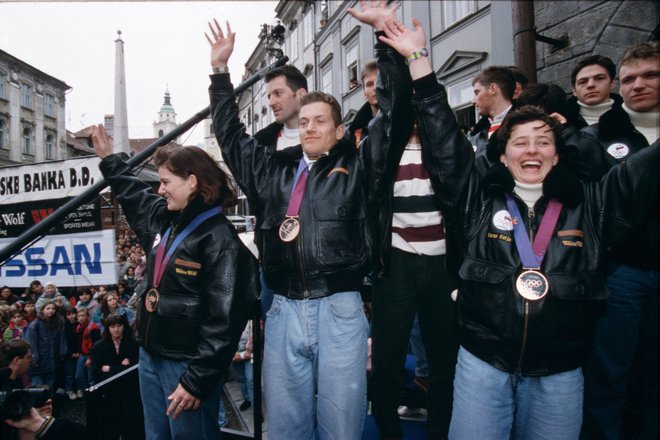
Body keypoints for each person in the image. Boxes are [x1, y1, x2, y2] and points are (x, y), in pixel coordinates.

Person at [378, 16, 660, 440]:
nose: (532, 149)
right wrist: (417, 58)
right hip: (482, 365)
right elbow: (442, 139)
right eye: (520, 141)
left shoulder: (593, 207)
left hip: (560, 372)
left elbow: (643, 168)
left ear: (558, 155)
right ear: (503, 156)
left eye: (543, 140)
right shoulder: (474, 202)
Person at [207, 11, 403, 437]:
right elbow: (230, 136)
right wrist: (220, 72)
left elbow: (392, 115)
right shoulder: (271, 172)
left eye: (321, 121)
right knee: (285, 424)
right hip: (283, 310)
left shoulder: (359, 167)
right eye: (306, 120)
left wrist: (385, 39)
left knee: (341, 422)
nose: (311, 127)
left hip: (340, 307)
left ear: (338, 131)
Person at [91, 126, 258, 440]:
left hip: (185, 365)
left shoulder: (219, 239)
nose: (160, 190)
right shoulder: (165, 220)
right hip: (151, 356)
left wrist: (196, 380)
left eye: (166, 182)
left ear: (192, 182)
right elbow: (134, 196)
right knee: (157, 436)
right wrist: (111, 160)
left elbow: (224, 321)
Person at [347, 4, 457, 439]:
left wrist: (415, 60)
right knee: (389, 362)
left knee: (444, 361)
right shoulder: (378, 144)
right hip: (395, 265)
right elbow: (389, 105)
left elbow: (429, 104)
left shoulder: (446, 145)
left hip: (442, 267)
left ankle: (441, 432)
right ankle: (390, 431)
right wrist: (384, 38)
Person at [582, 41, 659, 440]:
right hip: (622, 271)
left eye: (650, 75)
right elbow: (597, 206)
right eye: (629, 79)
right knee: (610, 373)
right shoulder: (595, 138)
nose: (638, 85)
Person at [469, 66, 516, 154]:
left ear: (492, 89)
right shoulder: (476, 136)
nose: (473, 101)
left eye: (477, 92)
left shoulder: (525, 127)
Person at [564, 55, 620, 127]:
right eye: (583, 82)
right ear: (574, 91)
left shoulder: (632, 116)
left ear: (612, 83)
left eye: (599, 78)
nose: (590, 85)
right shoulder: (558, 125)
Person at [22, 300, 67, 388]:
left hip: (52, 362)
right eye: (48, 308)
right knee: (38, 388)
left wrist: (62, 354)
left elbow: (61, 341)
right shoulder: (35, 325)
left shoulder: (58, 323)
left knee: (49, 388)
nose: (51, 311)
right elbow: (30, 343)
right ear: (42, 310)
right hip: (38, 363)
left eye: (53, 309)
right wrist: (33, 358)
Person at [90, 314, 139, 383]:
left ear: (124, 326)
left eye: (119, 326)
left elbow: (133, 368)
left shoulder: (133, 344)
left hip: (128, 383)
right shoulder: (98, 346)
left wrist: (110, 368)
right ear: (108, 328)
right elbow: (96, 371)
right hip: (108, 385)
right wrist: (121, 367)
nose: (116, 330)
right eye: (112, 327)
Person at [346, 60, 379, 146]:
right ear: (364, 92)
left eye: (379, 82)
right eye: (369, 84)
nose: (375, 88)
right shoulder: (353, 132)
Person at [75, 307, 99, 395]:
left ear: (87, 316)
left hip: (90, 355)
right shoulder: (78, 328)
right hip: (82, 354)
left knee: (91, 378)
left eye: (83, 316)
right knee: (79, 376)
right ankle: (85, 392)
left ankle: (93, 395)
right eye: (79, 316)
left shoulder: (93, 327)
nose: (81, 318)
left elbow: (95, 345)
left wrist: (90, 357)